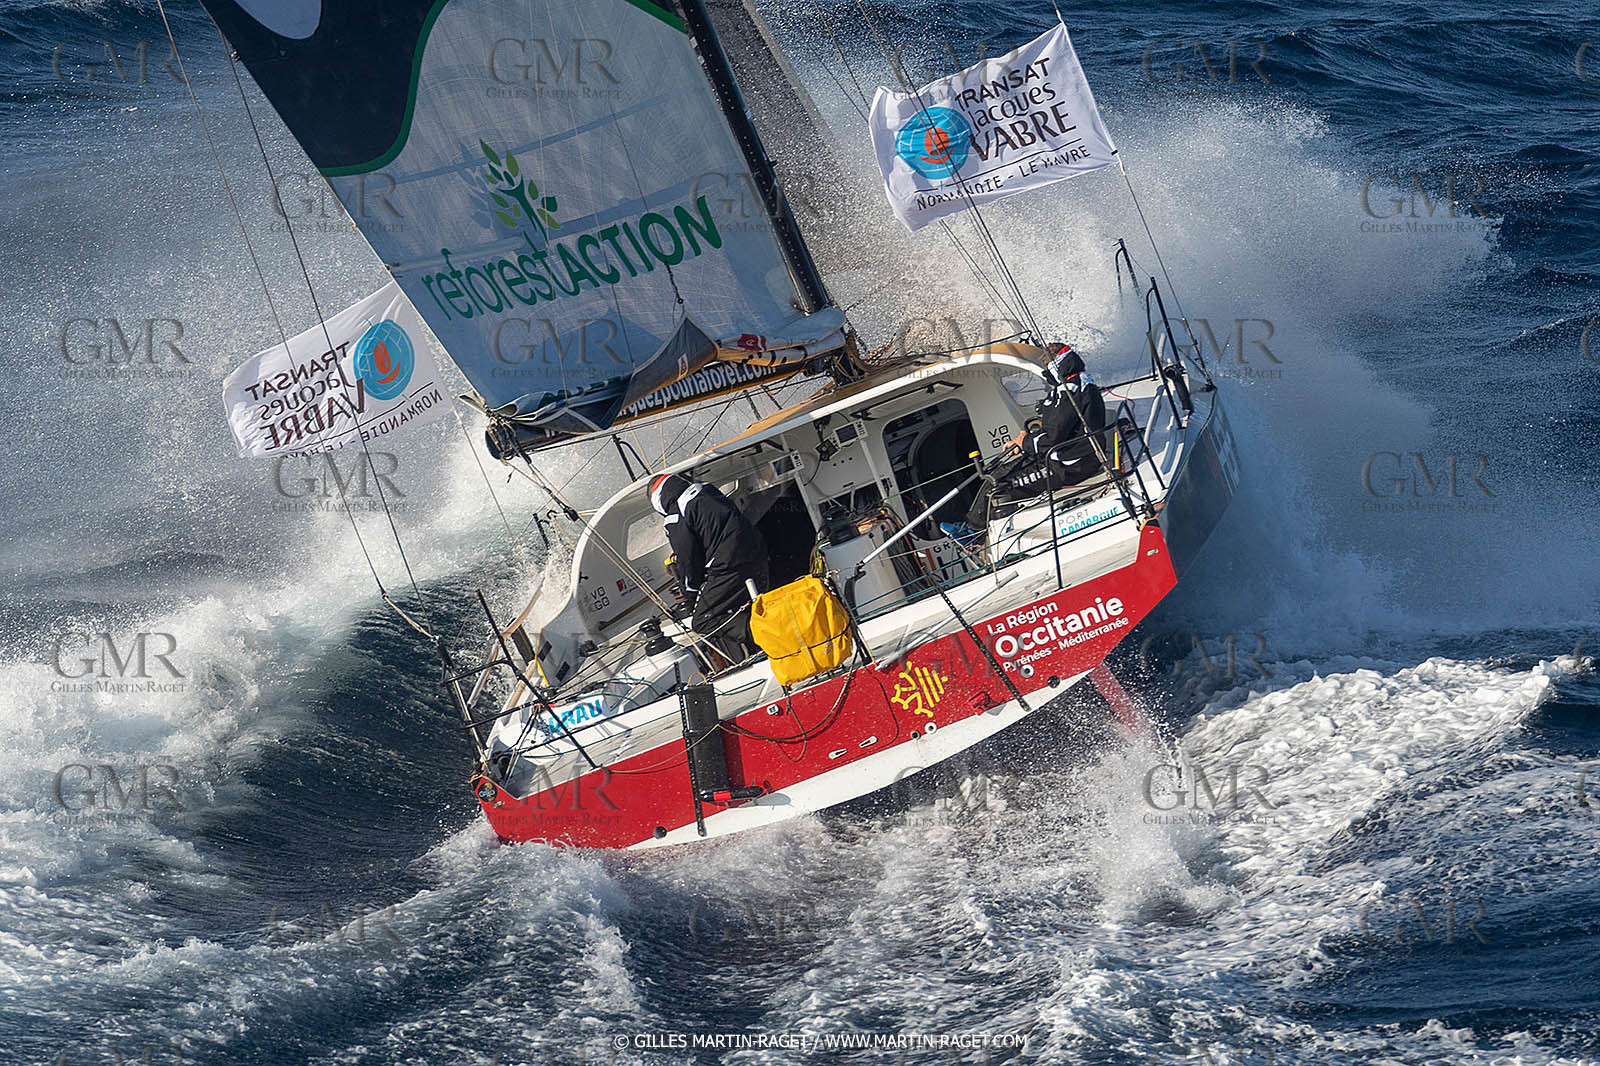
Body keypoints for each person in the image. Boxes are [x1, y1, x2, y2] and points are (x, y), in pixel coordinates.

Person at [650, 471, 771, 667]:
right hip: (757, 554)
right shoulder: (706, 489)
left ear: (658, 501)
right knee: (754, 604)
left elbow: (689, 561)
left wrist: (690, 594)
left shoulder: (675, 515)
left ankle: (770, 633)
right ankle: (769, 641)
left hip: (728, 566)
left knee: (703, 621)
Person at [1002, 343, 1108, 493]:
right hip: (1072, 455)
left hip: (1071, 463)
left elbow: (1053, 436)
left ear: (1054, 366)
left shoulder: (1070, 390)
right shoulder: (1079, 381)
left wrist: (1024, 442)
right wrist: (1026, 438)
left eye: (1046, 366)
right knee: (1002, 472)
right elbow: (1060, 426)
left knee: (1001, 488)